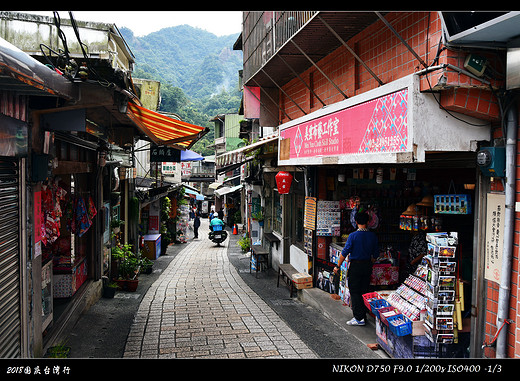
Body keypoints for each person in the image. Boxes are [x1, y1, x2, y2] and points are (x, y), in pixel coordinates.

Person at [333, 211, 379, 326]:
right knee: (364, 290)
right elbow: (376, 254)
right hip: (367, 265)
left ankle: (359, 318)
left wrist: (338, 265)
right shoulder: (373, 236)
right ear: (368, 222)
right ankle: (363, 314)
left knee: (355, 291)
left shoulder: (353, 236)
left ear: (356, 222)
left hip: (356, 266)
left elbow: (344, 252)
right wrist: (370, 262)